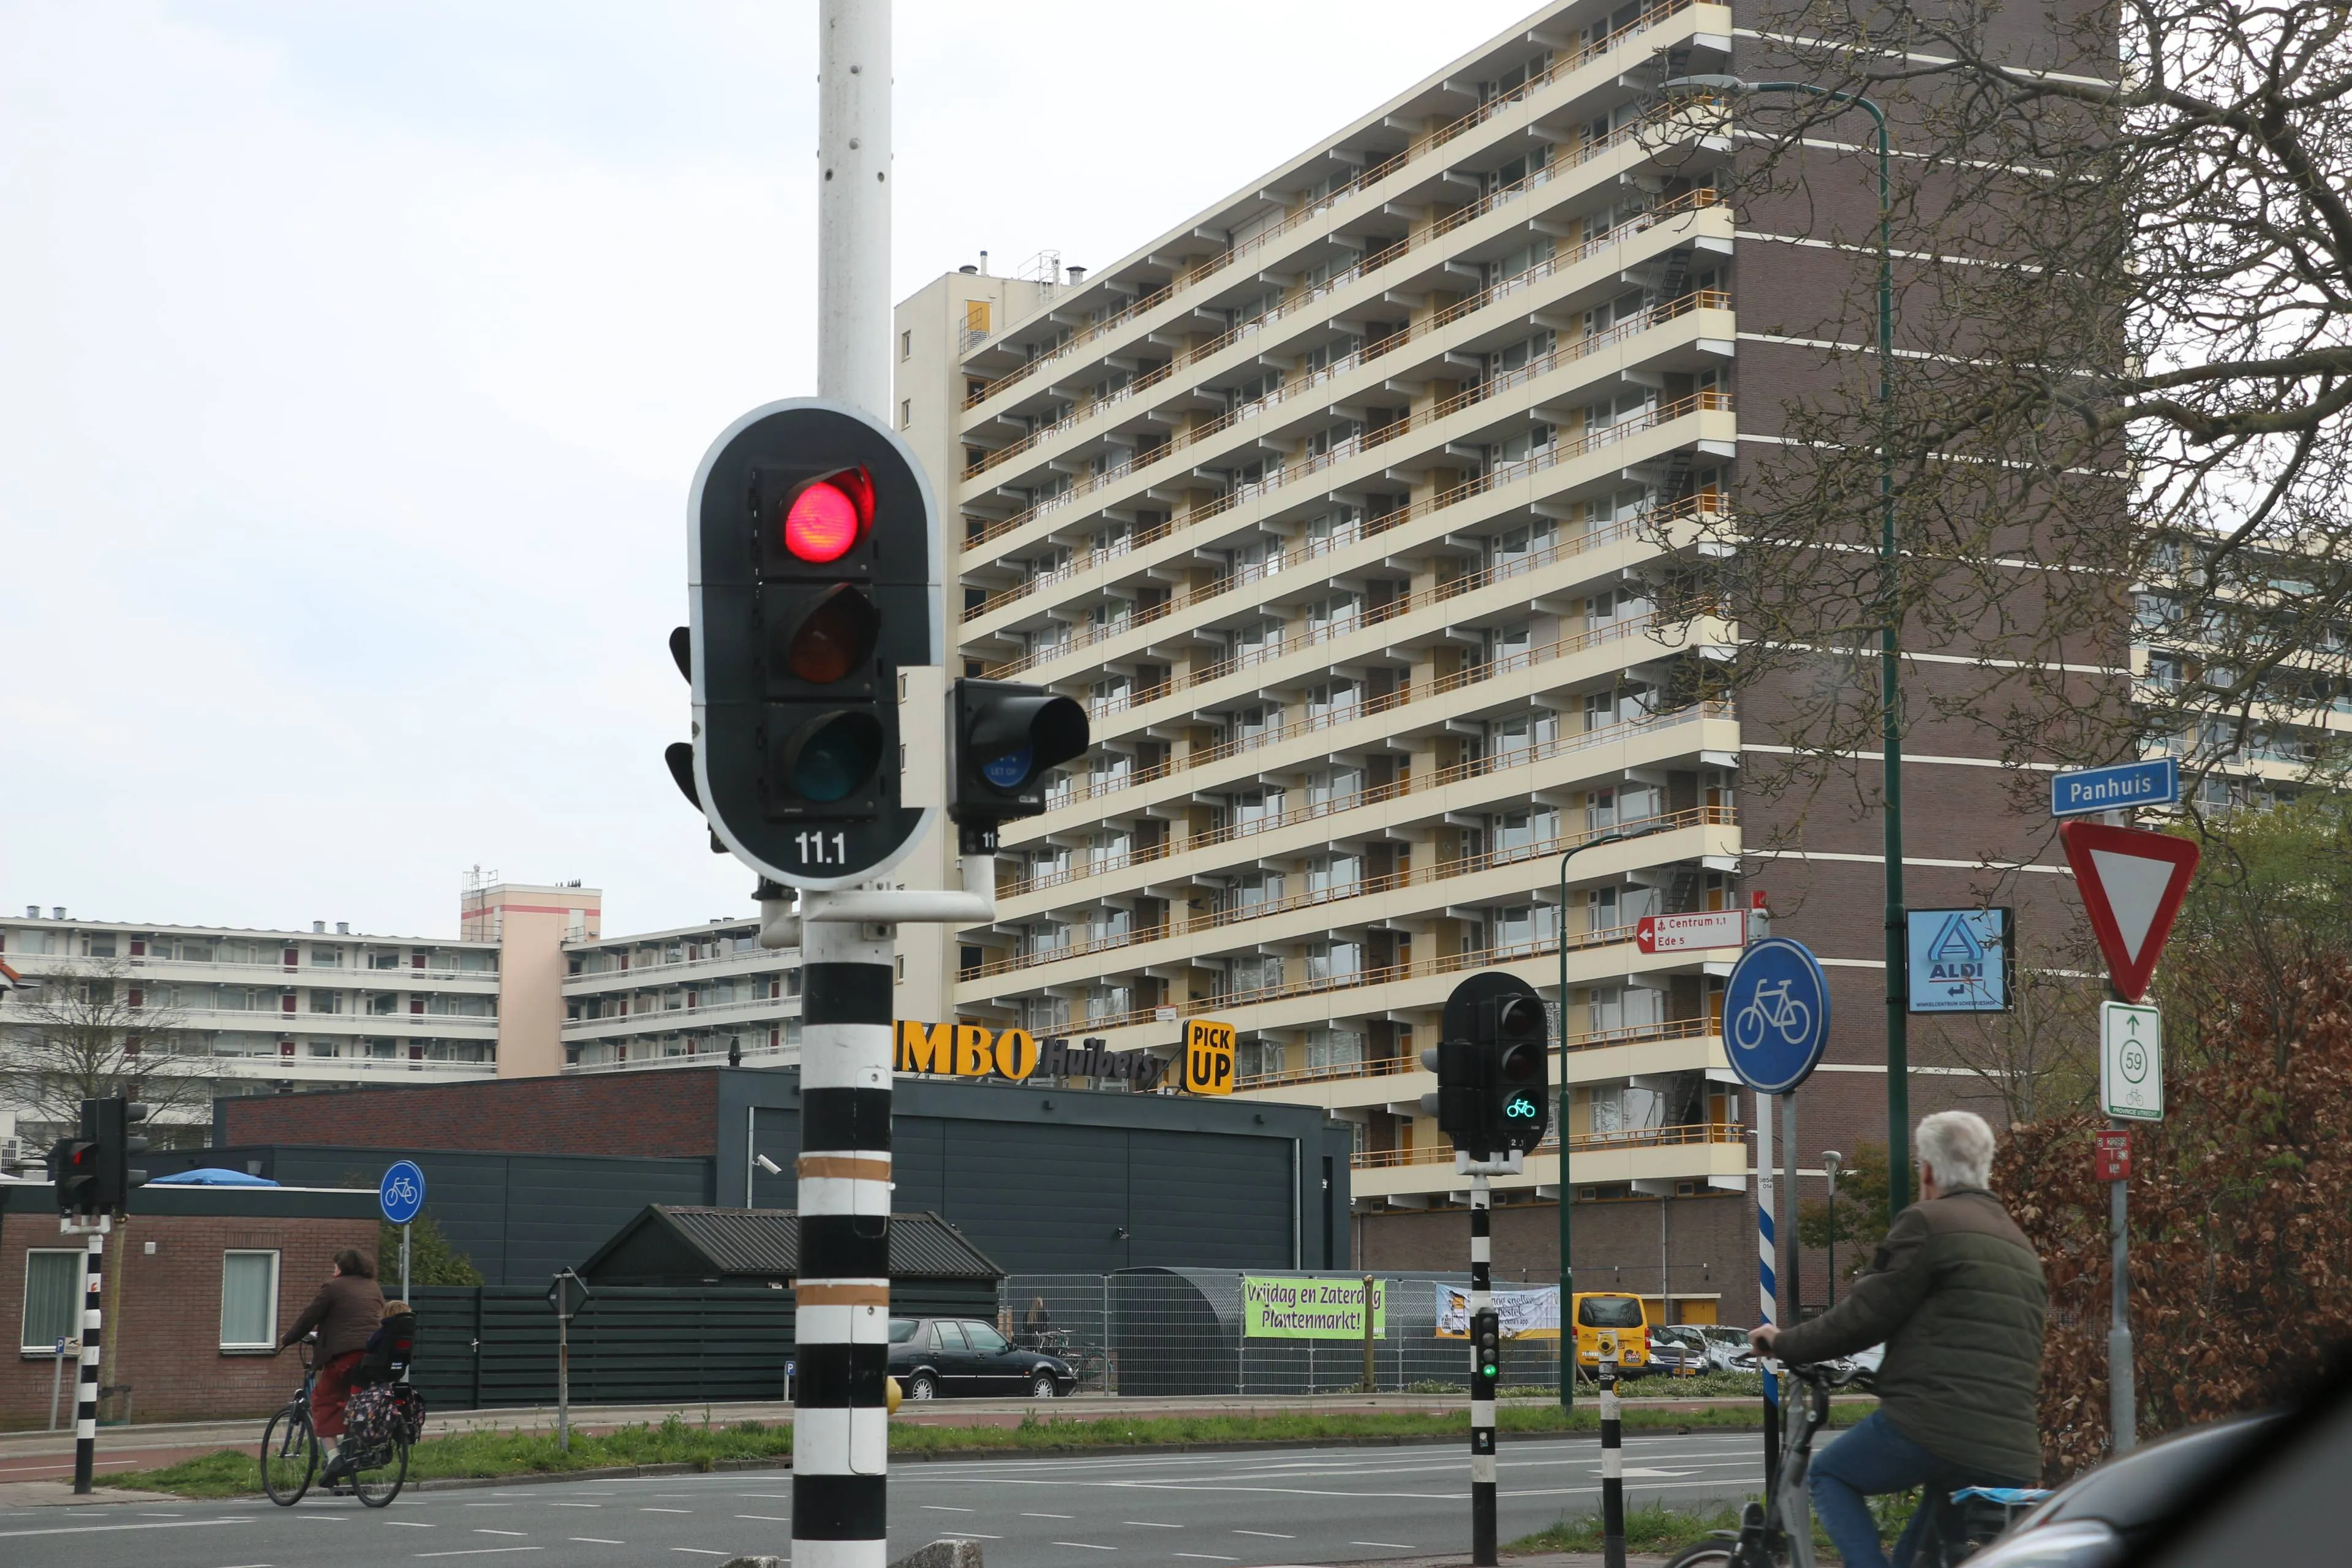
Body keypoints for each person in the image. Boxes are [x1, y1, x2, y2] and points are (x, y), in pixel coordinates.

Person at [1751, 1110, 2046, 1568]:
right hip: (2012, 1447)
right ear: (1984, 1166)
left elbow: (1862, 1318)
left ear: (1927, 1170)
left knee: (1830, 1475)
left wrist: (1783, 1342)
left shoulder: (1929, 1222)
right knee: (1914, 1558)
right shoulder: (2019, 1244)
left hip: (1934, 1427)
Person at [279, 1248, 386, 1476]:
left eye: (336, 1265)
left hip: (346, 1356)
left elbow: (309, 1317)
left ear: (343, 1267)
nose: (333, 1269)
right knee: (355, 1399)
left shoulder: (333, 1287)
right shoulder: (373, 1286)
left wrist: (288, 1338)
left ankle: (335, 1457)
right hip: (374, 1356)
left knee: (322, 1400)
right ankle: (356, 1445)